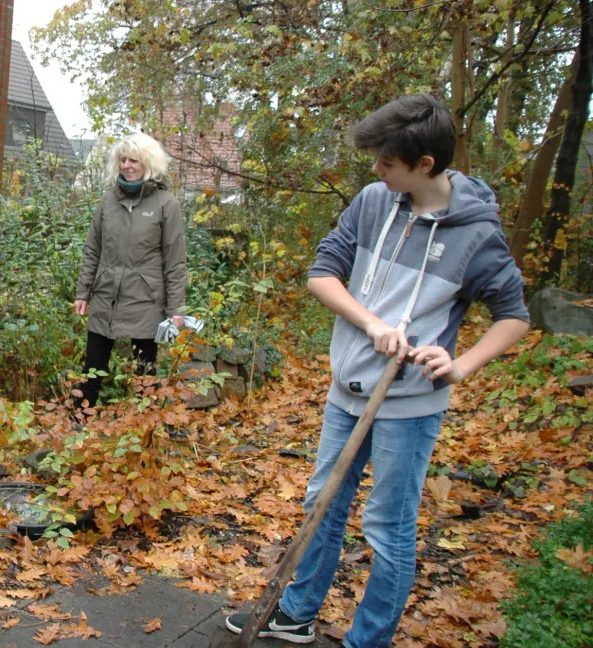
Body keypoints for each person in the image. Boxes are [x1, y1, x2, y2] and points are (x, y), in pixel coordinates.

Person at [224, 94, 529, 647]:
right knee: (323, 504)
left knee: (387, 529)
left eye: (387, 162)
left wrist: (460, 365)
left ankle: (369, 640)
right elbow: (322, 275)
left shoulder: (475, 235)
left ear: (424, 165)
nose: (376, 169)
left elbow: (514, 316)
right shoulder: (372, 202)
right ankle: (297, 612)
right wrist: (372, 324)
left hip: (409, 407)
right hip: (349, 390)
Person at [73, 132, 186, 408]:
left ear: (149, 163)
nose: (127, 165)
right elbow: (93, 250)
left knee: (145, 371)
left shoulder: (165, 205)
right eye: (123, 159)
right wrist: (82, 291)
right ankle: (78, 423)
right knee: (92, 367)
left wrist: (176, 309)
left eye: (134, 160)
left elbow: (175, 261)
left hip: (146, 300)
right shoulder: (107, 202)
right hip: (105, 295)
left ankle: (144, 430)